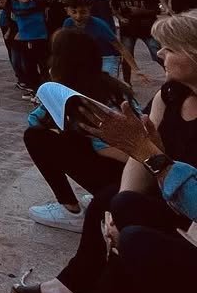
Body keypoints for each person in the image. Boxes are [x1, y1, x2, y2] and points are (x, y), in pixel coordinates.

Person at [11, 13, 197, 293]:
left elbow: (147, 155)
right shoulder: (172, 94)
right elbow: (140, 155)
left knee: (137, 240)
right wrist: (118, 209)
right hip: (178, 208)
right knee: (113, 200)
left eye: (170, 49)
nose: (159, 54)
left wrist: (148, 157)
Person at [22, 28, 138, 231]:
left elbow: (34, 124)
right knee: (66, 135)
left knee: (35, 137)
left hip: (127, 179)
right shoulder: (112, 85)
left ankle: (70, 208)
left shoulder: (84, 98)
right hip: (131, 175)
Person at [61, 0, 138, 80]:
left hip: (107, 57)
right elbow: (65, 46)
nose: (78, 16)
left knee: (107, 83)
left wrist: (136, 69)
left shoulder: (99, 25)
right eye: (74, 12)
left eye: (83, 12)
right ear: (67, 11)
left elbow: (120, 47)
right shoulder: (68, 23)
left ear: (89, 9)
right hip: (87, 58)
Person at [0, 0, 49, 94]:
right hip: (25, 40)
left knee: (44, 65)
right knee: (29, 66)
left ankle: (47, 89)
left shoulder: (36, 3)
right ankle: (35, 90)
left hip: (41, 38)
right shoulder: (13, 5)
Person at [110, 0, 163, 82]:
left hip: (147, 28)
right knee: (127, 57)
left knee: (158, 53)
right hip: (128, 29)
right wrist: (120, 18)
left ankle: (172, 75)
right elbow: (113, 7)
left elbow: (157, 10)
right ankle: (127, 82)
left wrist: (142, 11)